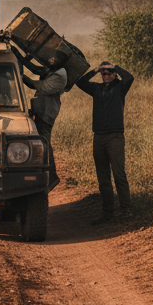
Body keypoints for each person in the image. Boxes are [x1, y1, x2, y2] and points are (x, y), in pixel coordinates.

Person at [76, 60, 135, 223]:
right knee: (103, 178)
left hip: (115, 137)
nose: (106, 75)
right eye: (104, 73)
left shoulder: (120, 88)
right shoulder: (97, 89)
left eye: (109, 72)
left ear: (115, 74)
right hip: (98, 137)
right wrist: (95, 69)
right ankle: (108, 212)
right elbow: (80, 82)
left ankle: (126, 210)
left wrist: (116, 67)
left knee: (119, 174)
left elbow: (129, 78)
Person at [21, 49, 68, 190]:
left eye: (53, 59)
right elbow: (37, 70)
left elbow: (36, 85)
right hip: (42, 111)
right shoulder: (53, 70)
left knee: (44, 143)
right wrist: (22, 58)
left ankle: (52, 176)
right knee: (40, 141)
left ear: (59, 62)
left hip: (47, 114)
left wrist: (20, 76)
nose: (50, 61)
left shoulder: (60, 76)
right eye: (51, 58)